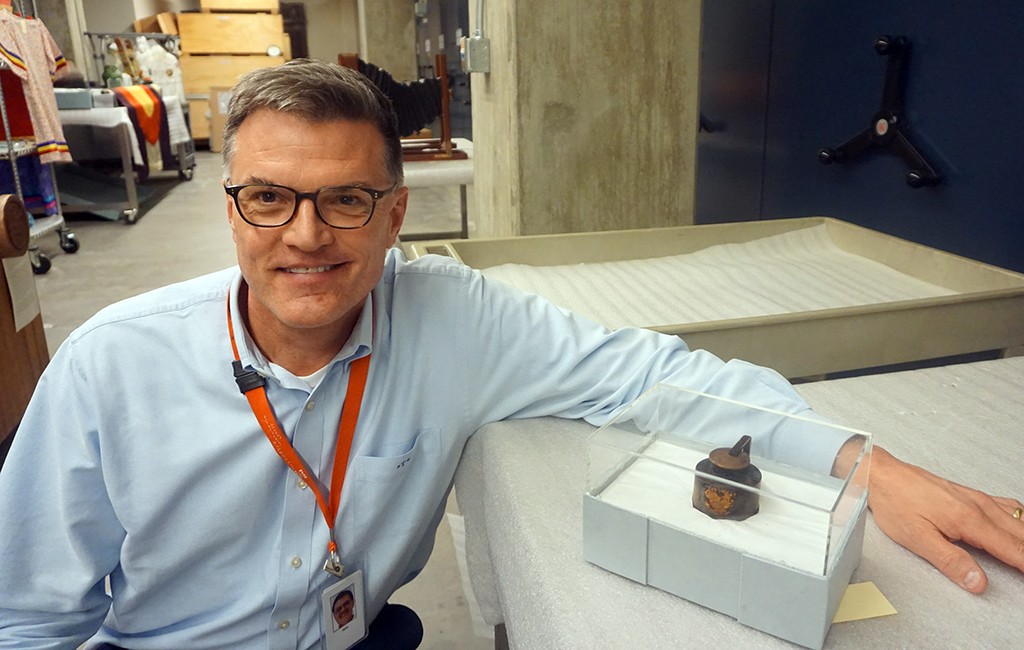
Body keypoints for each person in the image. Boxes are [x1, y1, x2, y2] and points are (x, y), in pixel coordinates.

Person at [0, 59, 1021, 649]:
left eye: (346, 199)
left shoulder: (455, 319)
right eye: (269, 196)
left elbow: (654, 374)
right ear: (231, 207)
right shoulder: (109, 367)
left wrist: (867, 463)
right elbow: (27, 616)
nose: (306, 235)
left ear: (396, 213)